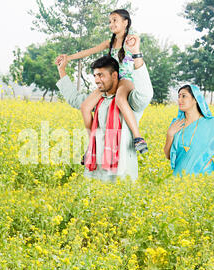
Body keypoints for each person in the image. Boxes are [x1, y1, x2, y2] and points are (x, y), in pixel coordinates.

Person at [55, 35, 154, 182]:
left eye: (101, 75)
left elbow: (146, 94)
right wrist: (62, 70)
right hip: (95, 174)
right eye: (95, 76)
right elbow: (76, 100)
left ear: (114, 75)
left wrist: (136, 54)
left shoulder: (130, 100)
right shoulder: (98, 99)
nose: (96, 80)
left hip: (121, 176)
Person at [55, 9, 149, 154]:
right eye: (110, 21)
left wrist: (133, 44)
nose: (111, 24)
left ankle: (138, 137)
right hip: (112, 81)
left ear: (126, 22)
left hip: (126, 80)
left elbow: (136, 48)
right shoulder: (110, 43)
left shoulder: (130, 39)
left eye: (115, 20)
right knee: (85, 106)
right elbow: (89, 51)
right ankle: (92, 144)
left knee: (120, 98)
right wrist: (68, 58)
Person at [164, 85, 214, 180]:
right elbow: (168, 156)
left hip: (204, 179)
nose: (179, 100)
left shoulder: (212, 124)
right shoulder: (176, 124)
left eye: (184, 96)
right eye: (178, 96)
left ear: (195, 99)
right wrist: (170, 135)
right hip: (179, 181)